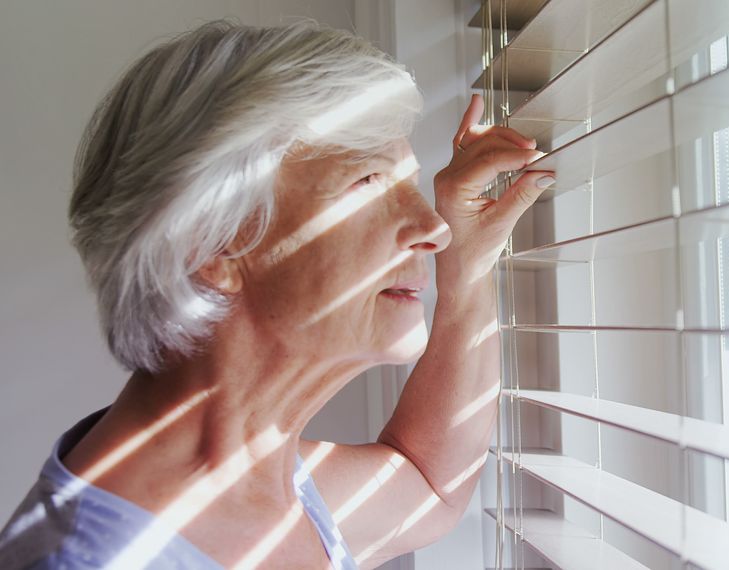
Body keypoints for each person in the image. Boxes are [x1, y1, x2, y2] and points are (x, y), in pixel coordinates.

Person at [0, 19, 553, 569]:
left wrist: (468, 269)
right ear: (213, 243)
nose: (434, 228)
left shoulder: (258, 478)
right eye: (367, 182)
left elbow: (430, 485)